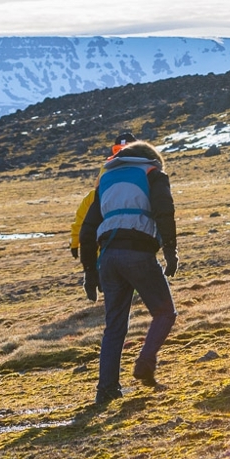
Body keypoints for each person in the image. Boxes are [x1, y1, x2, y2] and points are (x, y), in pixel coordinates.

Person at [79, 140, 179, 404]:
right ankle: (145, 363)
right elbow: (164, 211)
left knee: (114, 326)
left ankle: (106, 389)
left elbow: (87, 230)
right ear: (152, 159)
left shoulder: (107, 179)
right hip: (138, 252)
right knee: (165, 312)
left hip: (108, 257)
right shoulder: (153, 174)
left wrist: (90, 270)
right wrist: (170, 251)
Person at [69, 132, 138, 260]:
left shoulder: (102, 184)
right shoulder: (145, 177)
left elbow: (83, 218)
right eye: (119, 150)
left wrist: (75, 241)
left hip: (114, 254)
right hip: (135, 251)